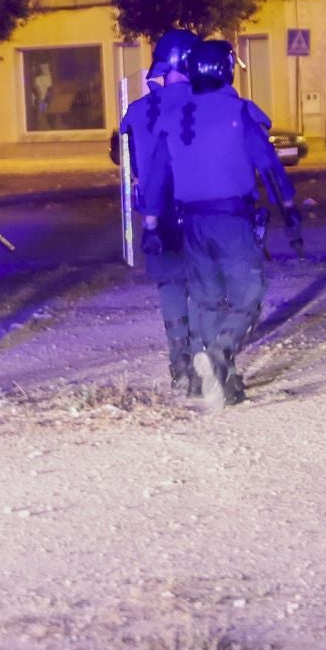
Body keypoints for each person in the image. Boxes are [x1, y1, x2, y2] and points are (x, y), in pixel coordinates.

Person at [142, 39, 300, 409]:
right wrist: (289, 207)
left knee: (208, 300)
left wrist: (150, 224)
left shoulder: (174, 118)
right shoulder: (239, 112)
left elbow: (157, 175)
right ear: (227, 70)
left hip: (191, 222)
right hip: (231, 219)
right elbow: (270, 167)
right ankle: (219, 353)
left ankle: (218, 381)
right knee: (248, 293)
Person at [110, 28, 199, 388]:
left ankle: (179, 363)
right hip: (198, 210)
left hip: (154, 214)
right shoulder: (199, 103)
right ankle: (202, 360)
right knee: (204, 286)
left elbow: (122, 158)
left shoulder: (134, 110)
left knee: (171, 287)